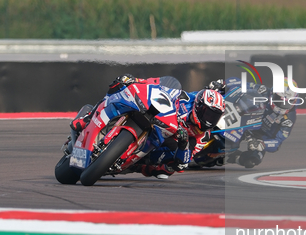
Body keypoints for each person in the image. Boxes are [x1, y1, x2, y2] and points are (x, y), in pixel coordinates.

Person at [70, 74, 224, 179]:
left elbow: (183, 163)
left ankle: (135, 165)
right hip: (157, 117)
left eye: (214, 116)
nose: (209, 120)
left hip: (166, 141)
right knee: (120, 85)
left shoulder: (202, 136)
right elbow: (159, 87)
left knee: (168, 169)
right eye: (207, 114)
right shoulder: (186, 98)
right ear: (198, 106)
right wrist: (135, 80)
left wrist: (183, 145)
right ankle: (88, 118)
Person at [221, 77, 298, 168]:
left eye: (287, 103)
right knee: (227, 141)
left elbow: (277, 142)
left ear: (294, 101)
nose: (282, 105)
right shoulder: (264, 91)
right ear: (272, 93)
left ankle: (232, 157)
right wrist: (223, 84)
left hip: (260, 136)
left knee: (252, 160)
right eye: (278, 99)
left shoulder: (288, 119)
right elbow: (242, 83)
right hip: (246, 120)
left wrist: (262, 144)